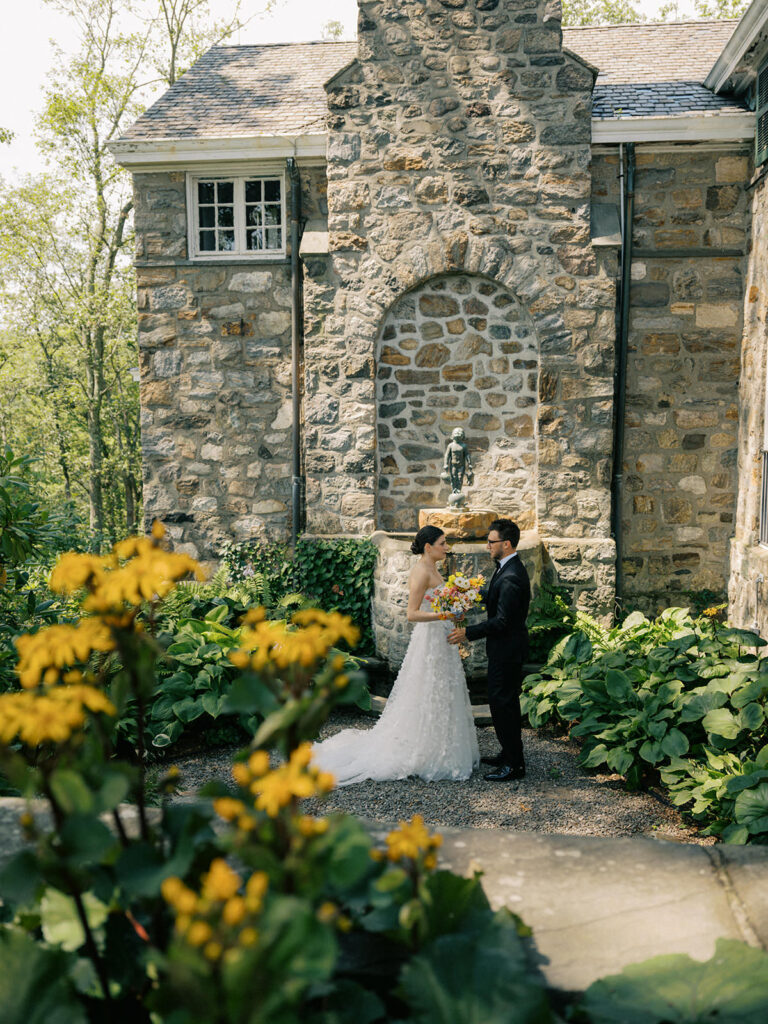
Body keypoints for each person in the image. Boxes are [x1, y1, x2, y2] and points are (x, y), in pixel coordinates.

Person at [312, 525, 479, 786]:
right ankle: (421, 748)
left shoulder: (435, 568)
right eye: (443, 543)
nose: (447, 548)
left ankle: (441, 745)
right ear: (428, 547)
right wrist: (444, 614)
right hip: (429, 641)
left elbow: (439, 602)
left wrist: (454, 609)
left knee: (443, 690)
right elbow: (412, 614)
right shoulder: (421, 572)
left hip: (442, 638)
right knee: (427, 690)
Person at [448, 518, 530, 782]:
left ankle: (514, 765)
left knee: (503, 705)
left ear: (506, 544)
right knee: (501, 703)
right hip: (504, 649)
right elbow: (494, 593)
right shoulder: (506, 568)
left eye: (491, 542)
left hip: (507, 651)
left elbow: (503, 621)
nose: (487, 546)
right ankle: (507, 753)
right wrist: (470, 590)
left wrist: (467, 632)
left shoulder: (512, 577)